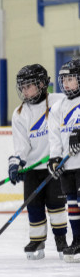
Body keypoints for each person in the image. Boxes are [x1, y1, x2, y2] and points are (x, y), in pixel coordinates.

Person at [8, 64, 68, 260]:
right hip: (34, 167)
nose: (24, 91)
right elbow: (21, 146)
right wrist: (16, 163)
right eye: (22, 87)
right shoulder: (19, 113)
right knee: (33, 205)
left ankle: (61, 241)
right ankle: (37, 240)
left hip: (55, 165)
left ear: (42, 84)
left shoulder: (59, 101)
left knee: (56, 205)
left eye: (29, 86)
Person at [48, 58, 80, 262]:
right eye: (64, 79)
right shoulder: (58, 107)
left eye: (71, 78)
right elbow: (55, 136)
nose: (66, 83)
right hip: (68, 165)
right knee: (72, 203)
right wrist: (54, 159)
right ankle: (77, 240)